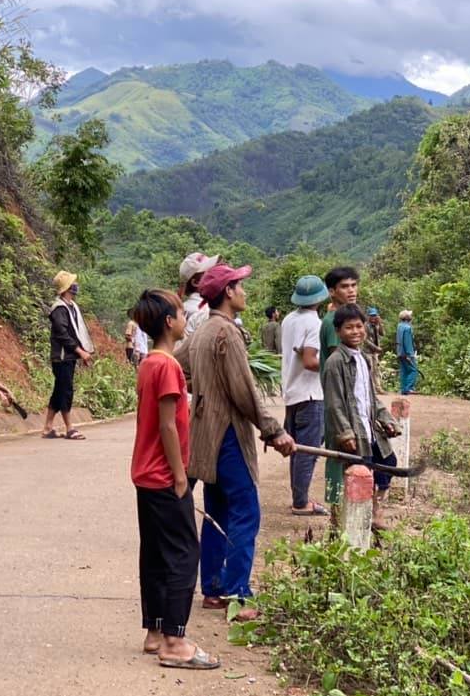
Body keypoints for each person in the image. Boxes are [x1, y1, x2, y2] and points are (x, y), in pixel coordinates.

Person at [176, 263, 296, 621]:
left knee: (217, 513)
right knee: (245, 512)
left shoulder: (201, 332)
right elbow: (244, 392)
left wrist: (204, 391)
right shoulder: (226, 334)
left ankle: (213, 587)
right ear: (228, 292)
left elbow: (176, 366)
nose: (245, 291)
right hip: (228, 434)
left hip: (205, 436)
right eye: (240, 286)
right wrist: (274, 429)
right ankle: (236, 591)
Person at [130, 289, 219, 670]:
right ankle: (175, 640)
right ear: (169, 322)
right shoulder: (166, 367)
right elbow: (168, 425)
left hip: (145, 474)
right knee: (184, 552)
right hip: (164, 475)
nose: (185, 319)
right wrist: (181, 477)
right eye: (182, 313)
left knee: (154, 552)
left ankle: (154, 631)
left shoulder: (149, 363)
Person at [323, 304, 400, 531]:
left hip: (369, 428)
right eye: (349, 328)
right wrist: (345, 433)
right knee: (360, 473)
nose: (355, 331)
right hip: (354, 431)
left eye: (359, 326)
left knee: (388, 462)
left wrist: (387, 419)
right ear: (338, 331)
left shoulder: (363, 359)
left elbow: (371, 397)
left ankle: (376, 510)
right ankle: (350, 525)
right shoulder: (335, 363)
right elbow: (334, 403)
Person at [281, 276, 329, 517]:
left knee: (297, 448)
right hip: (310, 394)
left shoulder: (288, 320)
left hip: (292, 392)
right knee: (308, 450)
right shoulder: (315, 323)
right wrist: (332, 364)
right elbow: (311, 361)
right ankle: (300, 502)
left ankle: (299, 496)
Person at [44, 270, 94, 440]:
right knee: (66, 390)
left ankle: (48, 427)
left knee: (59, 390)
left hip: (69, 356)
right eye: (73, 284)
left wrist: (81, 352)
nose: (76, 286)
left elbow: (75, 333)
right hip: (62, 356)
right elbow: (62, 334)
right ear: (67, 289)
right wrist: (80, 351)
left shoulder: (71, 307)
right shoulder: (59, 309)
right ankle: (69, 427)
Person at [319, 266, 360, 367]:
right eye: (344, 286)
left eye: (353, 285)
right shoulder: (334, 320)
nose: (351, 290)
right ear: (332, 291)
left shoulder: (346, 317)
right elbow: (338, 363)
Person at [179, 251, 219, 338]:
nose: (215, 274)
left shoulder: (182, 308)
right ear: (196, 282)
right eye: (209, 272)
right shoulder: (205, 311)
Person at [397, 309, 419, 395]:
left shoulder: (399, 326)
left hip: (400, 352)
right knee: (413, 370)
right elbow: (407, 341)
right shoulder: (407, 328)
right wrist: (410, 354)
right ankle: (409, 388)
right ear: (408, 318)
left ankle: (403, 389)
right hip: (406, 353)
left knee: (404, 370)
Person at [363, 307, 385, 392]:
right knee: (370, 369)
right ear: (368, 316)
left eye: (374, 315)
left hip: (375, 352)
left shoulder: (376, 324)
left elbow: (382, 333)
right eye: (371, 316)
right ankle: (371, 388)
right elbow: (365, 340)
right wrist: (376, 348)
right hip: (367, 351)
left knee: (377, 369)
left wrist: (380, 323)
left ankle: (378, 387)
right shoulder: (365, 326)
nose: (373, 317)